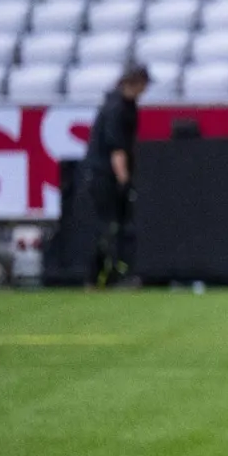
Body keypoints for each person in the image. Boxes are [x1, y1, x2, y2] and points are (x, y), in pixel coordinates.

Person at [80, 61, 150, 288]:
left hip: (104, 174)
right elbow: (116, 149)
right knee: (109, 227)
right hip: (104, 176)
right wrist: (124, 181)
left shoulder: (121, 105)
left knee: (112, 226)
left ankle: (103, 275)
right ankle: (101, 274)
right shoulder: (117, 109)